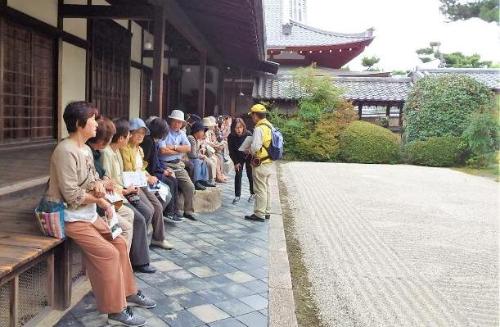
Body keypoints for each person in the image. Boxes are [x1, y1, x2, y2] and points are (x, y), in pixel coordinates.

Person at [46, 101, 155, 326]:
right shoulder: (64, 151)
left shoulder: (85, 149)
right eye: (92, 119)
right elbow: (71, 194)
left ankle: (128, 292)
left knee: (120, 244)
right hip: (70, 217)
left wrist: (102, 184)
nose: (97, 124)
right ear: (79, 124)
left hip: (87, 214)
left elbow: (92, 179)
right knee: (108, 253)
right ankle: (115, 309)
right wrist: (100, 199)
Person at [101, 118, 158, 273]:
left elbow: (118, 178)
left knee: (148, 211)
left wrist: (128, 189)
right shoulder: (108, 153)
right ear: (121, 138)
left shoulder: (117, 152)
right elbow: (109, 182)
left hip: (123, 192)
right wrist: (126, 190)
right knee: (139, 217)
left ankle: (138, 254)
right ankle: (138, 260)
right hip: (116, 197)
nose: (130, 138)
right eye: (128, 135)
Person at [121, 118, 173, 250]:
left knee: (159, 204)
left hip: (142, 182)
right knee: (151, 208)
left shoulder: (139, 149)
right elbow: (129, 171)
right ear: (130, 133)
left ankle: (157, 238)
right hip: (133, 185)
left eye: (143, 133)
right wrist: (147, 178)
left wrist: (149, 176)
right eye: (137, 132)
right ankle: (148, 241)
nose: (140, 136)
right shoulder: (126, 149)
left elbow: (142, 168)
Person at [87, 117, 135, 252]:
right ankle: (120, 263)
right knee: (126, 228)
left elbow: (101, 174)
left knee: (129, 214)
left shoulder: (95, 152)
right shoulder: (87, 152)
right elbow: (87, 185)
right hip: (94, 205)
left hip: (104, 199)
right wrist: (105, 184)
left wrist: (106, 180)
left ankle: (124, 260)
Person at [141, 117, 183, 223]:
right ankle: (169, 212)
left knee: (173, 179)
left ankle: (174, 210)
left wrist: (165, 168)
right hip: (150, 174)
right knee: (170, 182)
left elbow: (156, 161)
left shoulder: (154, 141)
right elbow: (147, 164)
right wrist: (162, 171)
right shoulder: (148, 141)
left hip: (156, 170)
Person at [158, 110, 197, 221]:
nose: (177, 124)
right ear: (171, 121)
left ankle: (188, 211)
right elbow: (162, 151)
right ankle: (172, 211)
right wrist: (180, 150)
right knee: (172, 183)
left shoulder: (182, 133)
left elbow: (188, 148)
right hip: (165, 164)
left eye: (179, 122)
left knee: (190, 186)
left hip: (178, 164)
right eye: (175, 121)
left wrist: (174, 147)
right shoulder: (165, 132)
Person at [244, 104, 274, 222]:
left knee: (260, 189)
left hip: (260, 162)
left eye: (252, 115)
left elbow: (256, 146)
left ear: (256, 115)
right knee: (266, 187)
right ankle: (267, 211)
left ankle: (259, 213)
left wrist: (248, 150)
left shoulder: (259, 128)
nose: (252, 117)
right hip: (268, 161)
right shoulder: (269, 126)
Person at [228, 118, 255, 205]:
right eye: (236, 128)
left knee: (250, 174)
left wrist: (250, 151)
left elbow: (253, 147)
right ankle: (237, 195)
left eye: (240, 127)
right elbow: (231, 151)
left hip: (248, 156)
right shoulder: (231, 136)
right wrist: (235, 162)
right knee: (238, 175)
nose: (239, 130)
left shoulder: (248, 134)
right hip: (237, 157)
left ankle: (253, 193)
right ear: (233, 128)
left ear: (243, 127)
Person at [187, 121, 217, 190]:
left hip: (192, 158)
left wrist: (201, 155)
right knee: (198, 161)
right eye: (202, 131)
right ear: (197, 131)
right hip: (187, 158)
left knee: (203, 161)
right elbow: (192, 154)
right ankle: (195, 182)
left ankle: (203, 181)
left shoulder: (196, 139)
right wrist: (201, 156)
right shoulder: (191, 138)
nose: (203, 133)